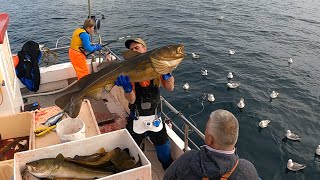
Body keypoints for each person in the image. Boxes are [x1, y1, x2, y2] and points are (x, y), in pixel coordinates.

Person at [114, 38, 174, 170]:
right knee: (128, 153)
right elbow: (131, 100)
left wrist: (167, 75)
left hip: (155, 117)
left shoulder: (157, 67)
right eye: (131, 49)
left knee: (165, 153)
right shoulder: (130, 71)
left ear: (145, 49)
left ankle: (168, 170)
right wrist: (127, 89)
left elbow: (170, 88)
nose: (134, 50)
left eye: (137, 47)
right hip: (136, 118)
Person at [164, 109, 259, 180]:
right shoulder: (247, 170)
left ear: (210, 140)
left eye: (206, 129)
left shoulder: (188, 159)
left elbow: (167, 178)